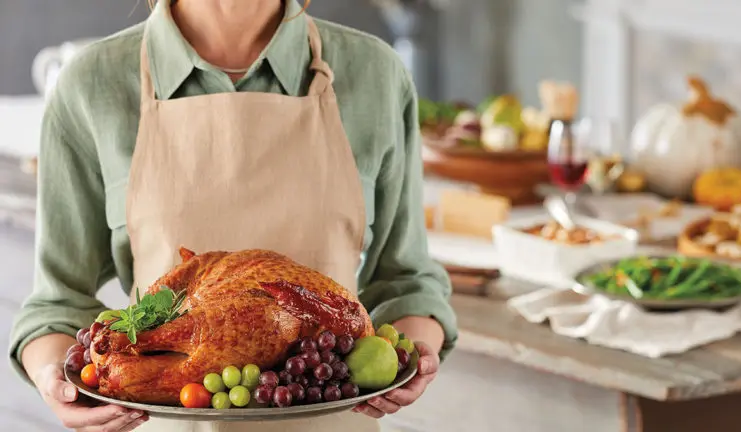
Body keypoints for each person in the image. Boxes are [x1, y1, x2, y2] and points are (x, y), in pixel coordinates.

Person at [8, 0, 458, 431]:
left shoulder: (374, 73)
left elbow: (408, 281)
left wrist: (413, 355)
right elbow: (58, 303)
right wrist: (57, 379)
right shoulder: (92, 83)